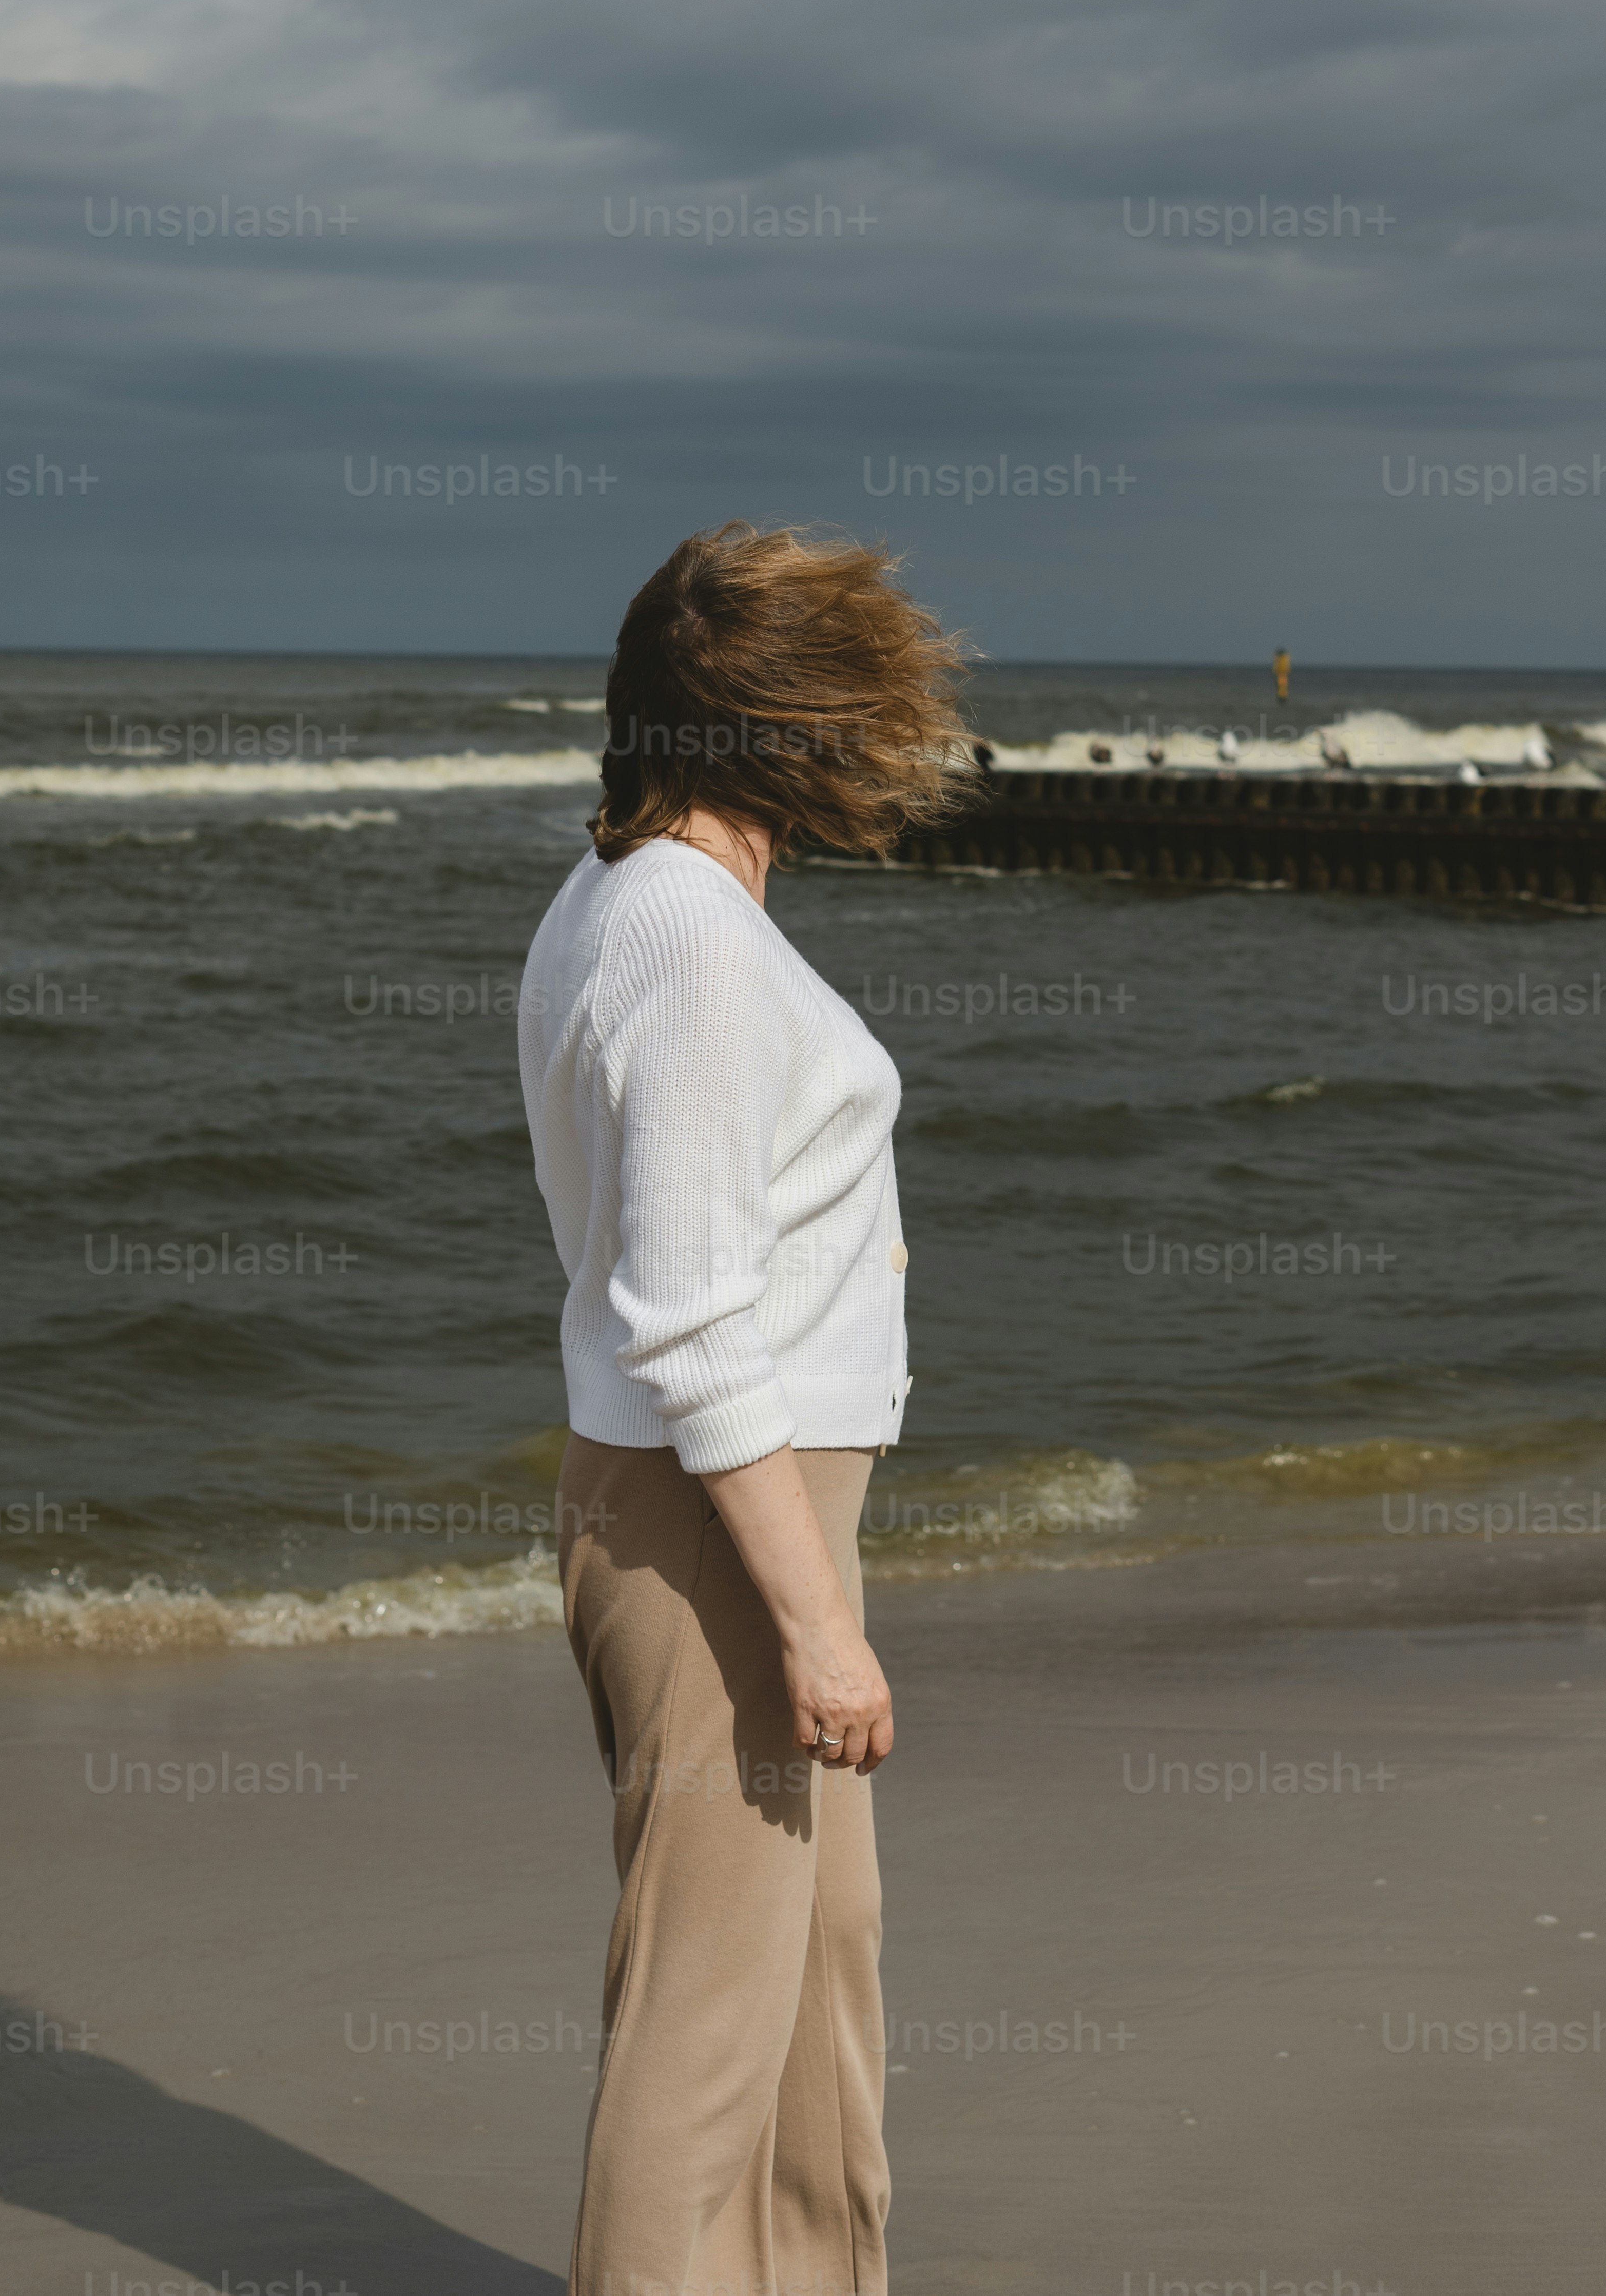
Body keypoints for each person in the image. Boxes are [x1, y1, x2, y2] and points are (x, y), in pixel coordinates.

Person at [519, 520, 969, 2296]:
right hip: (716, 1519)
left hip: (728, 1505)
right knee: (704, 2024)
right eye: (853, 708)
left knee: (815, 1960)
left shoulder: (621, 901)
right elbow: (692, 1321)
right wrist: (817, 1627)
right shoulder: (687, 937)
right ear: (771, 729)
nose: (885, 743)